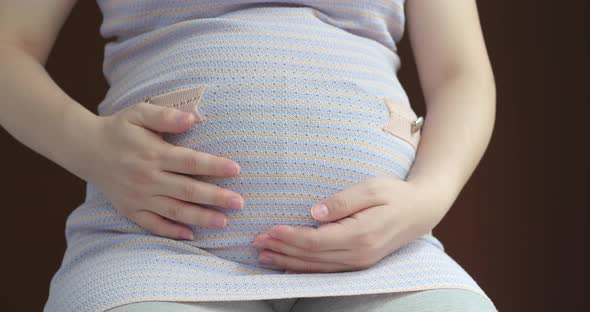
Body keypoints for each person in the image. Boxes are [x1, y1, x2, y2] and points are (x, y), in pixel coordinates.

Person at [0, 0, 497, 311]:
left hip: (386, 260)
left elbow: (461, 73)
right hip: (151, 256)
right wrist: (90, 147)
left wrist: (429, 196)